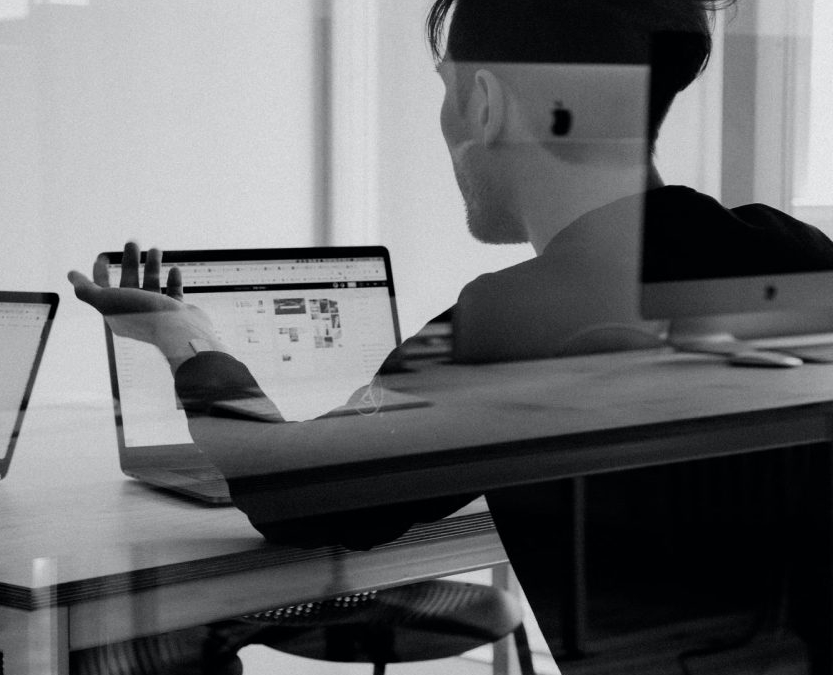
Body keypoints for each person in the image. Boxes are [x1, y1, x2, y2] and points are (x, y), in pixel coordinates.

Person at [70, 0, 833, 669]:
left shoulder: (514, 321)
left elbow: (295, 489)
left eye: (445, 90)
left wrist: (185, 338)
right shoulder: (797, 252)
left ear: (486, 101)